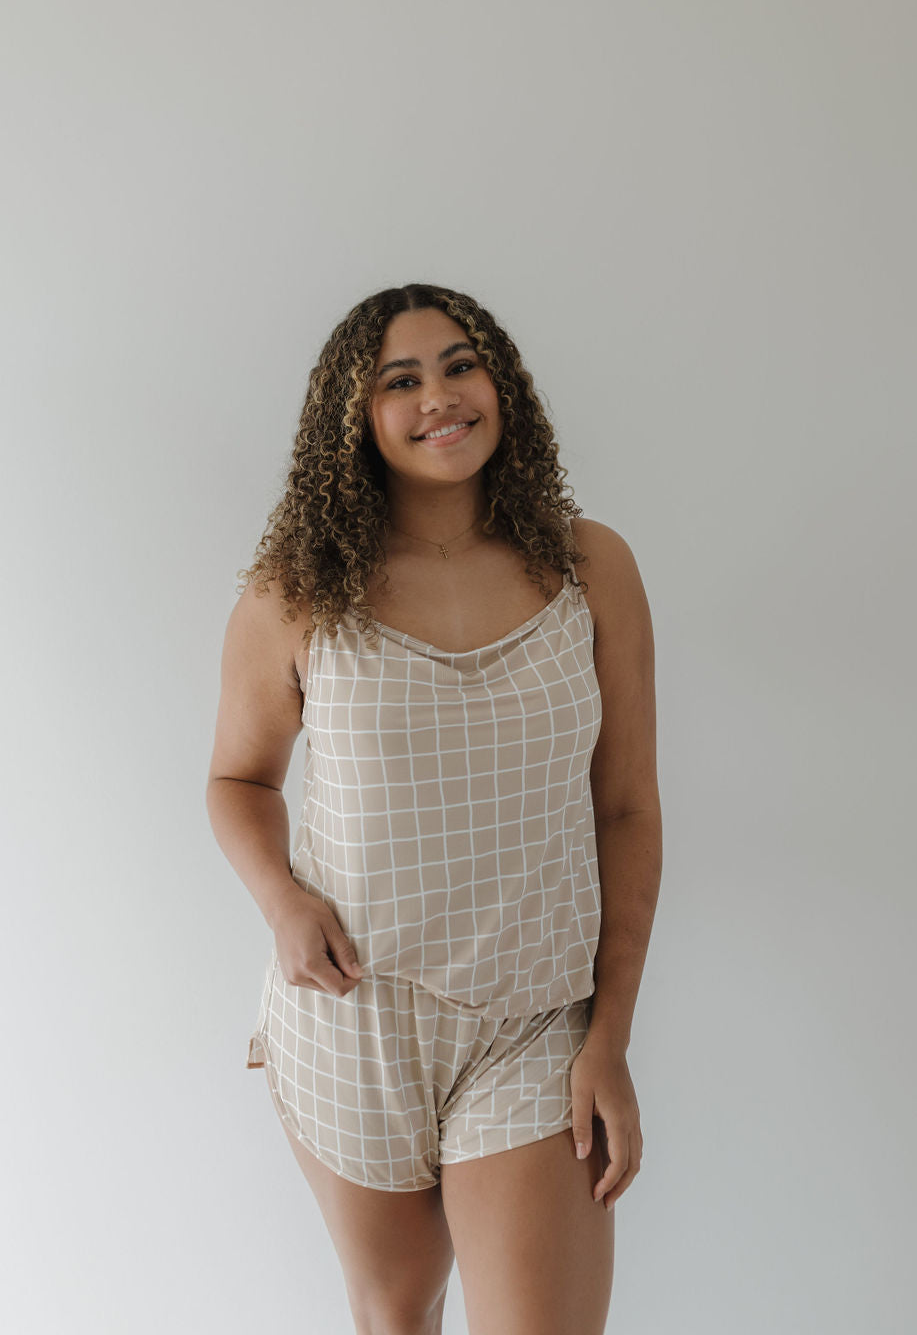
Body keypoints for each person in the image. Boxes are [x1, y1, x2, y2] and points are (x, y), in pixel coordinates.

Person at [207, 283, 662, 1335]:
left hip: (533, 1018)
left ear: (502, 384)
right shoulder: (297, 593)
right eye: (399, 381)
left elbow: (628, 810)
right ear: (354, 418)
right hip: (354, 1015)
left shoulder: (592, 568)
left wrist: (610, 1038)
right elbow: (238, 781)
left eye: (461, 366)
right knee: (398, 1312)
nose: (439, 397)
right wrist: (282, 903)